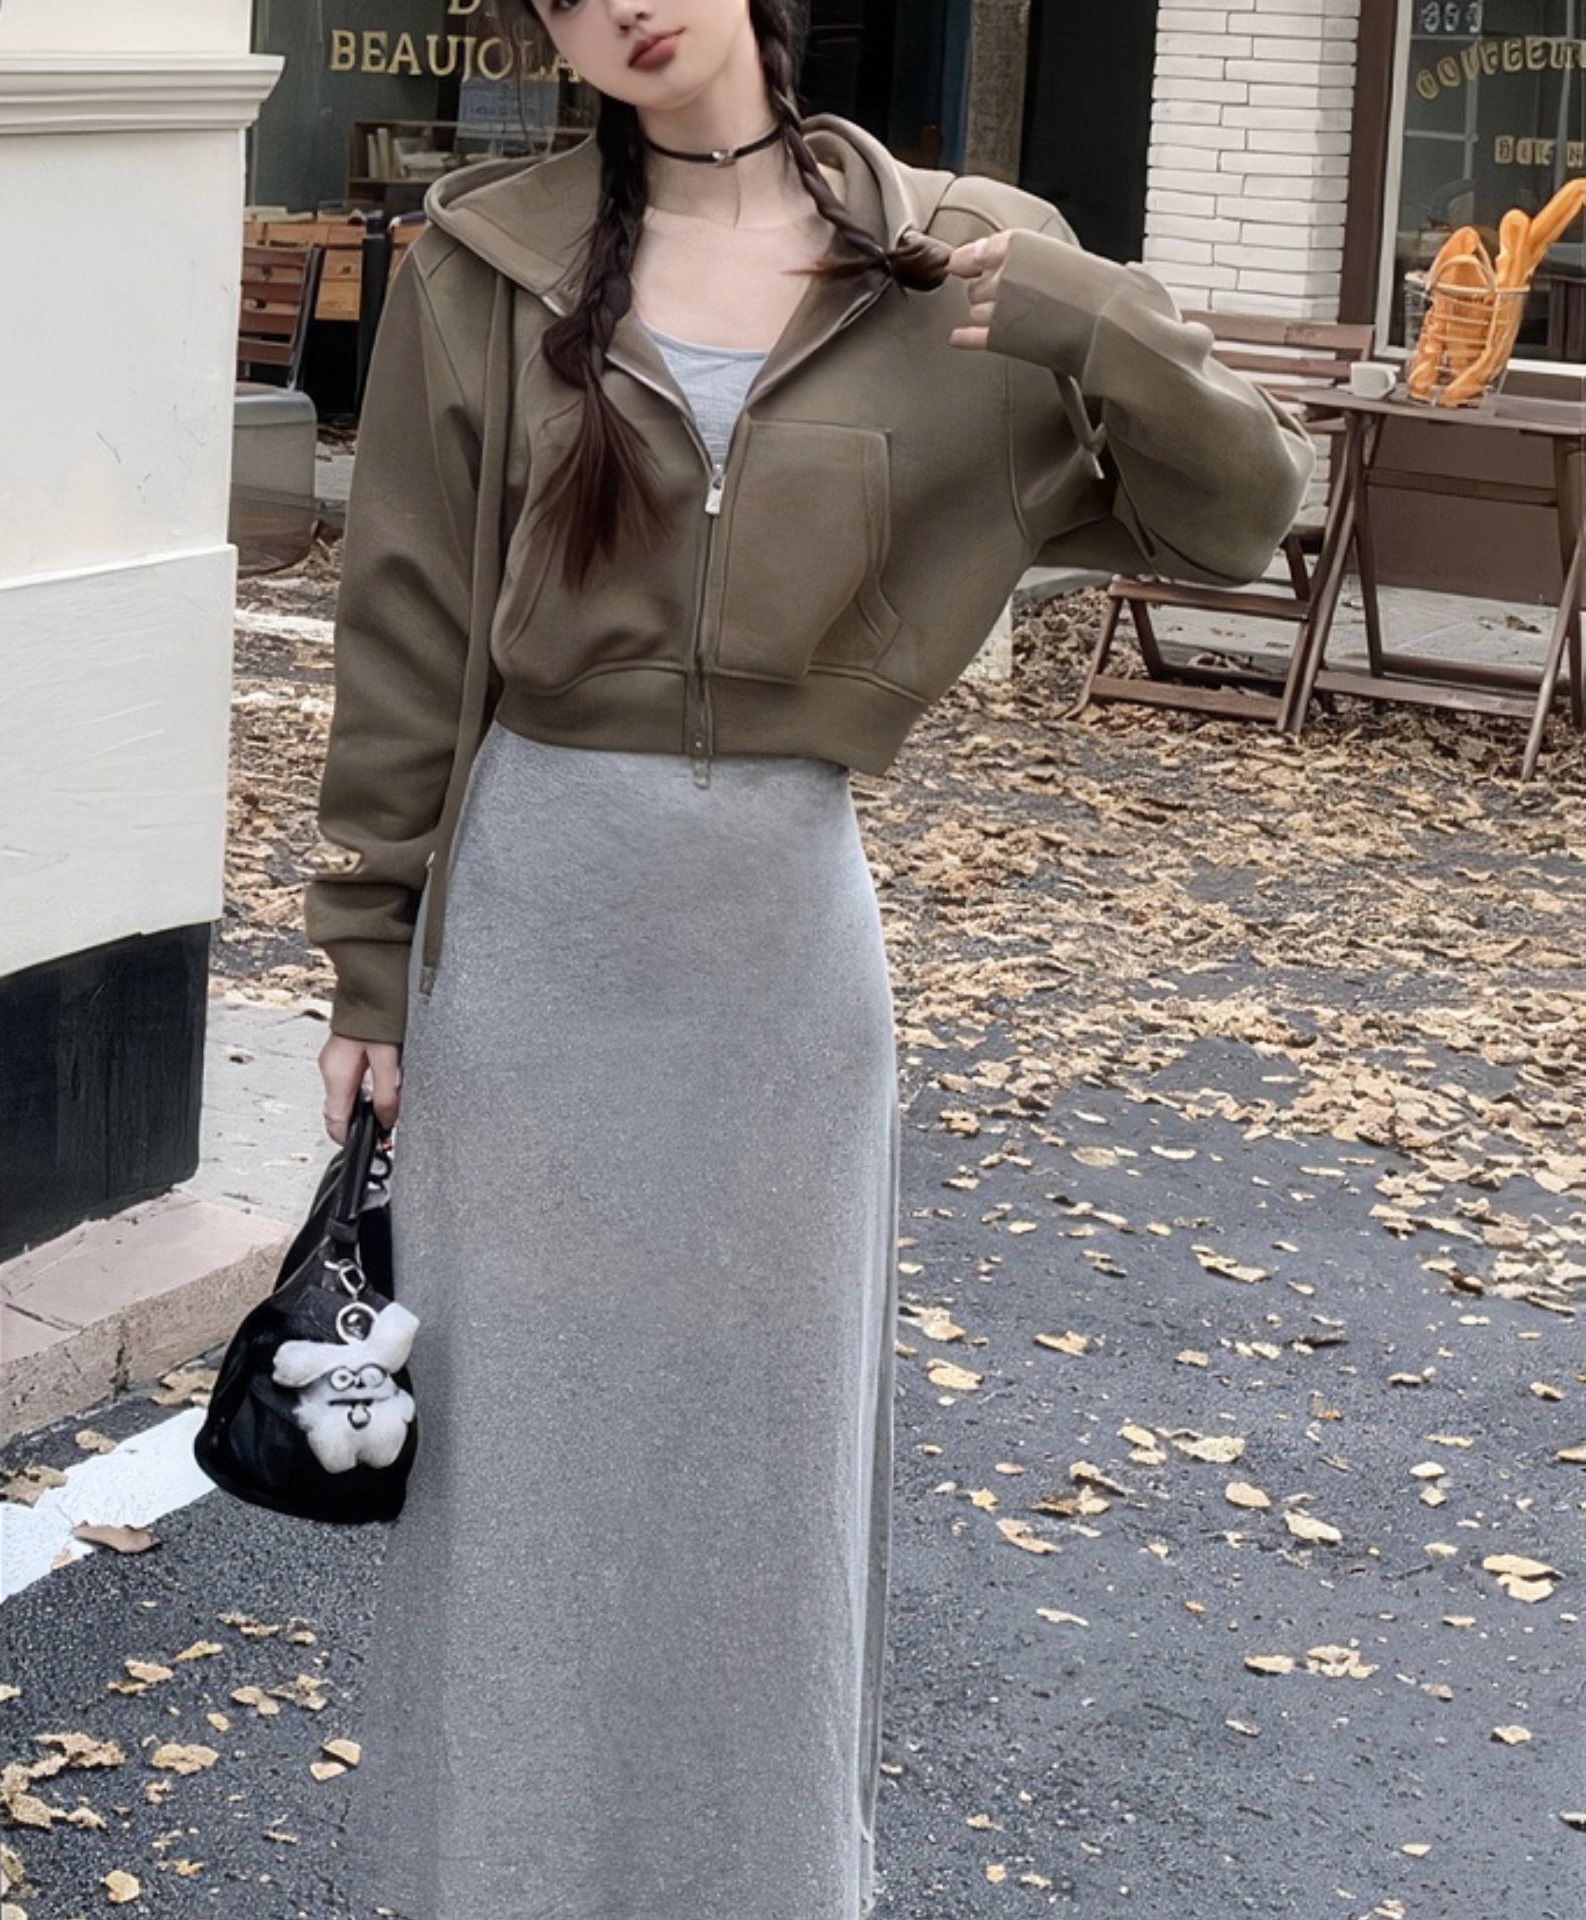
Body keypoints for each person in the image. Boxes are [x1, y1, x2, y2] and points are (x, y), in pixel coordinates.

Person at [302, 5, 1316, 1915]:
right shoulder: (485, 261)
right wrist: (368, 952)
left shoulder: (969, 259)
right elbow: (408, 622)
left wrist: (1096, 321)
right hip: (530, 933)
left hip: (779, 958)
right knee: (525, 1482)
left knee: (767, 1483)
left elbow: (1243, 520)